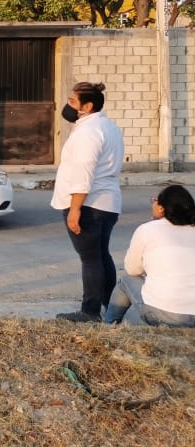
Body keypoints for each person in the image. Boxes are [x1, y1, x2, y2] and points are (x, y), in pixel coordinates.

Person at [51, 82, 124, 323]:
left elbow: (84, 172)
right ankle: (112, 309)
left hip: (89, 205)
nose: (68, 105)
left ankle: (90, 312)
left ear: (88, 106)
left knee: (91, 259)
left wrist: (75, 209)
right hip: (107, 202)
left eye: (72, 101)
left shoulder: (88, 132)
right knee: (102, 256)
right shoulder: (109, 127)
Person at [104, 186, 195, 327]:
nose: (153, 203)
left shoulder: (147, 229)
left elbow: (132, 270)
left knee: (126, 280)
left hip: (164, 315)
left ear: (161, 208)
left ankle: (108, 326)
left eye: (155, 200)